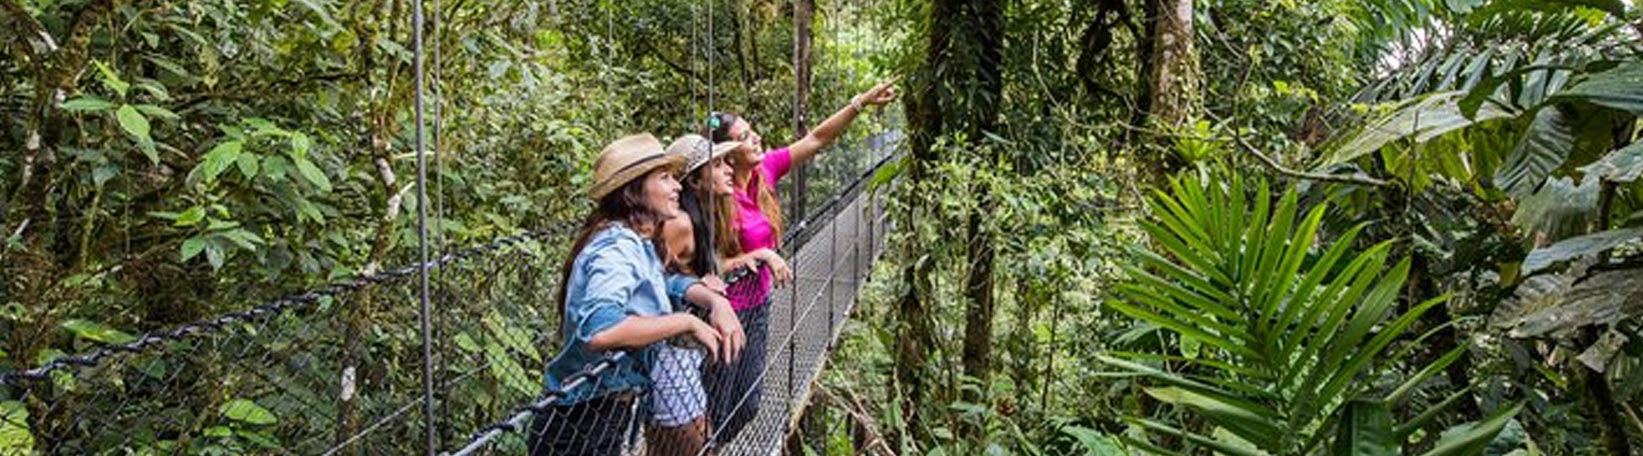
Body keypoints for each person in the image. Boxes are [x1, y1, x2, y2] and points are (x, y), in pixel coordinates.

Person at [702, 78, 899, 444]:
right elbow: (702, 270)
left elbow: (818, 139)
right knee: (715, 405)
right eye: (746, 136)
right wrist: (757, 255)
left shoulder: (765, 174)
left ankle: (709, 447)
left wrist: (860, 102)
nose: (757, 137)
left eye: (752, 131)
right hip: (724, 314)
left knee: (747, 406)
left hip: (759, 306)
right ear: (727, 152)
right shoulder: (712, 198)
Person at [527, 133, 730, 456]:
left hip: (604, 411)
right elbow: (600, 329)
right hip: (580, 425)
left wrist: (710, 298)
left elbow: (660, 284)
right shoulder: (617, 246)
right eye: (664, 178)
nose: (677, 186)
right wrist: (685, 323)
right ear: (634, 190)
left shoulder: (636, 243)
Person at [645, 134, 745, 456]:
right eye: (716, 165)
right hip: (668, 358)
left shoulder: (704, 219)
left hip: (686, 355)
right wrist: (698, 287)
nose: (728, 169)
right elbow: (646, 282)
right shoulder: (681, 224)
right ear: (694, 181)